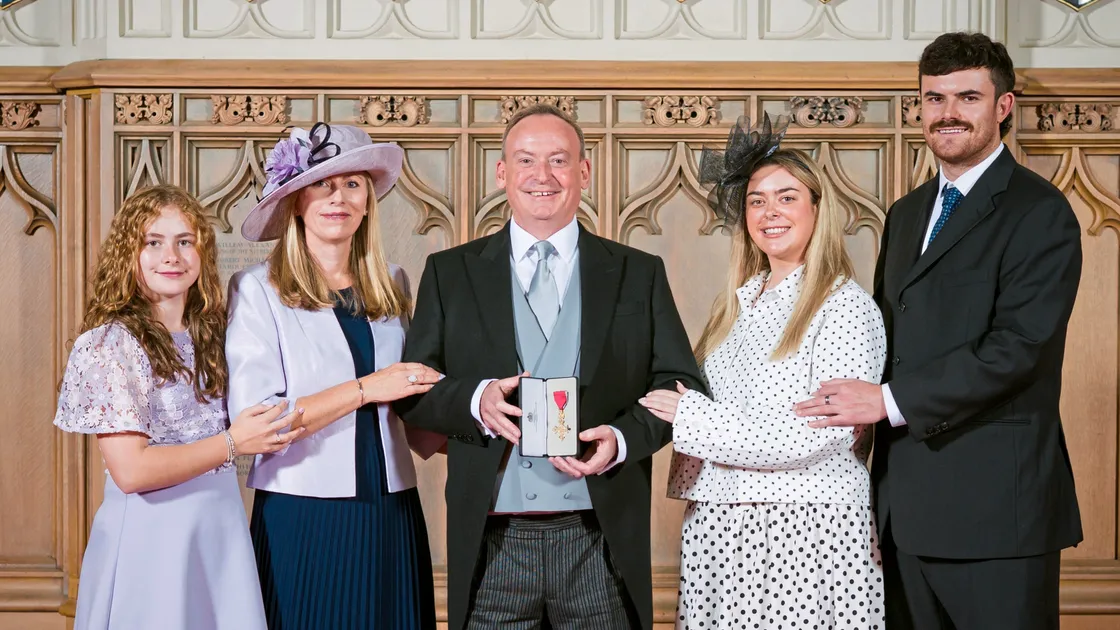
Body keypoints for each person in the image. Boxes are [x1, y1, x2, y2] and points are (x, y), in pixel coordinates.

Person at [794, 32, 1084, 629]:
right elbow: (884, 349)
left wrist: (887, 402)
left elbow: (1019, 349)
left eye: (967, 97)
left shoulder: (1039, 211)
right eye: (933, 99)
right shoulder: (907, 213)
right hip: (904, 512)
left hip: (997, 516)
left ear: (1003, 106)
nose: (947, 113)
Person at [392, 103, 706, 630]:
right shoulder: (449, 273)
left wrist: (623, 438)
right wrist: (475, 399)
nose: (543, 176)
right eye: (526, 160)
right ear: (502, 173)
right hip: (492, 540)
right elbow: (414, 390)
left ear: (583, 172)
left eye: (559, 160)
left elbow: (679, 385)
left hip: (599, 536)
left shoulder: (638, 272)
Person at [638, 114, 887, 630]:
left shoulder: (843, 306)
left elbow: (820, 432)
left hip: (804, 526)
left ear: (819, 209)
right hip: (721, 521)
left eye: (787, 196)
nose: (770, 211)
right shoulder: (738, 305)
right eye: (756, 200)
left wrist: (694, 420)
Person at [225, 123, 446, 630]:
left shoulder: (393, 283)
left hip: (391, 507)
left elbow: (413, 402)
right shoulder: (257, 289)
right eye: (322, 185)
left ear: (369, 201)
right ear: (295, 202)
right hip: (303, 513)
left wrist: (482, 412)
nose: (338, 198)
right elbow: (256, 423)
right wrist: (368, 388)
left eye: (352, 185)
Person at [52, 184, 300, 630]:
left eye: (185, 242)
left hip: (219, 531)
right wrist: (232, 442)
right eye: (153, 242)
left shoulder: (216, 337)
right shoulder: (110, 344)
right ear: (128, 254)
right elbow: (131, 472)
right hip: (151, 538)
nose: (172, 256)